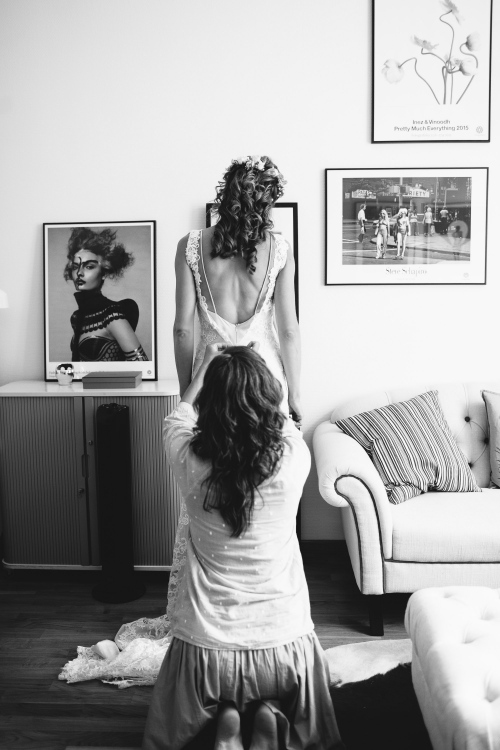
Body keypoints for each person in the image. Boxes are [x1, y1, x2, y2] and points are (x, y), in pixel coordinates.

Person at [142, 344, 344, 750]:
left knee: (196, 716)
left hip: (206, 656)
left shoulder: (187, 458)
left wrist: (209, 363)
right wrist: (257, 367)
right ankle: (267, 711)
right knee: (288, 701)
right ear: (267, 397)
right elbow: (284, 416)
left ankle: (228, 717)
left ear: (210, 404)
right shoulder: (293, 458)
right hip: (282, 649)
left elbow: (178, 415)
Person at [170, 155, 301, 624]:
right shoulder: (279, 249)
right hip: (265, 384)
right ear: (266, 204)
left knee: (206, 483)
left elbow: (183, 329)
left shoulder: (191, 245)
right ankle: (264, 606)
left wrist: (188, 389)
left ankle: (209, 605)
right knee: (270, 488)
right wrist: (296, 394)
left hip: (213, 383)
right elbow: (289, 330)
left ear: (224, 196)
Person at [64, 227, 148, 362]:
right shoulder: (77, 317)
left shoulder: (112, 316)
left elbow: (142, 365)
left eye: (89, 266)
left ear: (104, 272)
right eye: (75, 267)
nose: (79, 273)